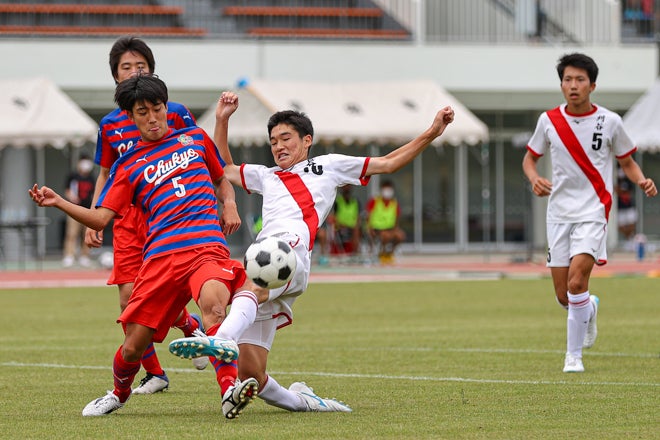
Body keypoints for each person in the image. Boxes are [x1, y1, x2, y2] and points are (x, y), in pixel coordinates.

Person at [170, 92, 454, 417]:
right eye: (273, 140)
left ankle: (221, 338)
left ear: (307, 140)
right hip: (272, 260)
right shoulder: (267, 175)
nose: (278, 146)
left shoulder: (328, 165)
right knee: (251, 372)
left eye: (285, 138)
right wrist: (222, 119)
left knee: (252, 284)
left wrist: (432, 132)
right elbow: (223, 168)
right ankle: (304, 401)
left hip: (288, 251)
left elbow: (389, 162)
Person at [29, 74, 259, 417]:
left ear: (167, 107)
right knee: (134, 347)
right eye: (142, 112)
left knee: (214, 305)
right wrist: (59, 201)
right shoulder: (128, 164)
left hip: (205, 248)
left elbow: (221, 176)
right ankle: (120, 392)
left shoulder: (195, 139)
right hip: (161, 259)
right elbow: (101, 219)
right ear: (131, 117)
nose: (152, 117)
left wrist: (229, 203)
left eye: (157, 108)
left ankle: (229, 391)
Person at [84, 36, 209, 393]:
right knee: (128, 301)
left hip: (165, 218)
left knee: (158, 294)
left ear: (151, 70)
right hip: (124, 219)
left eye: (140, 66)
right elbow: (106, 173)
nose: (134, 72)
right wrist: (94, 215)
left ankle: (188, 326)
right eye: (126, 67)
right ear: (115, 76)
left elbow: (196, 155)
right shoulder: (109, 125)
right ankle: (157, 372)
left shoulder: (175, 113)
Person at [522, 52, 657, 373]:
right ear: (561, 84)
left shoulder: (610, 121)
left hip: (594, 211)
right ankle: (590, 309)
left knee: (577, 280)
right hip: (558, 214)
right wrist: (534, 179)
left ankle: (573, 357)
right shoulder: (548, 120)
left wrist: (642, 180)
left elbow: (626, 161)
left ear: (592, 85)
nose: (573, 85)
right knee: (564, 295)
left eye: (580, 80)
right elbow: (529, 158)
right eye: (568, 79)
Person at [62, 154, 96, 268]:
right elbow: (67, 190)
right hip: (73, 209)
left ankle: (85, 256)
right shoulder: (73, 176)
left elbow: (94, 193)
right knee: (71, 233)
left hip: (87, 210)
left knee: (87, 234)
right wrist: (71, 197)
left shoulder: (92, 178)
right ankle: (69, 255)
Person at [366, 180, 406, 264]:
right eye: (386, 188)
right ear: (381, 189)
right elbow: (368, 216)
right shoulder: (375, 201)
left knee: (400, 235)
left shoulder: (394, 203)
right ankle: (382, 252)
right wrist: (369, 228)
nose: (387, 191)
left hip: (390, 228)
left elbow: (397, 219)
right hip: (377, 229)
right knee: (385, 235)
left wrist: (396, 229)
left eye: (389, 189)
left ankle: (389, 253)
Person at [615, 166, 638, 241]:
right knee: (620, 225)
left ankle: (629, 238)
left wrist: (620, 191)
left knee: (632, 224)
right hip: (620, 208)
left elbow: (628, 193)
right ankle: (627, 237)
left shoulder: (628, 181)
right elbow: (616, 191)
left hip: (629, 207)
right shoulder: (616, 181)